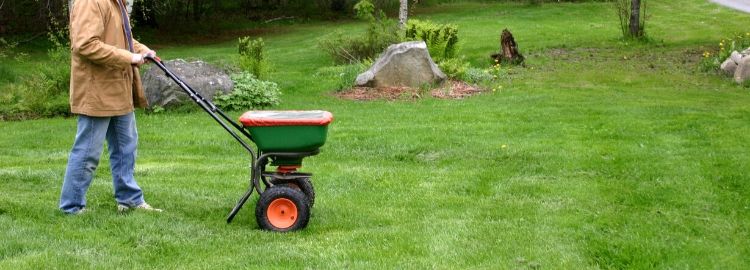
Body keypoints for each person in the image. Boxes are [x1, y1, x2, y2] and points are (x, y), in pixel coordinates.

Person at [60, 0, 161, 214]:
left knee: (126, 148)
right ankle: (72, 206)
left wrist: (143, 51)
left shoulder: (116, 3)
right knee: (88, 151)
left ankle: (129, 200)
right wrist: (131, 57)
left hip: (118, 89)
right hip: (96, 90)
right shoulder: (91, 2)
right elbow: (85, 44)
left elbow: (122, 38)